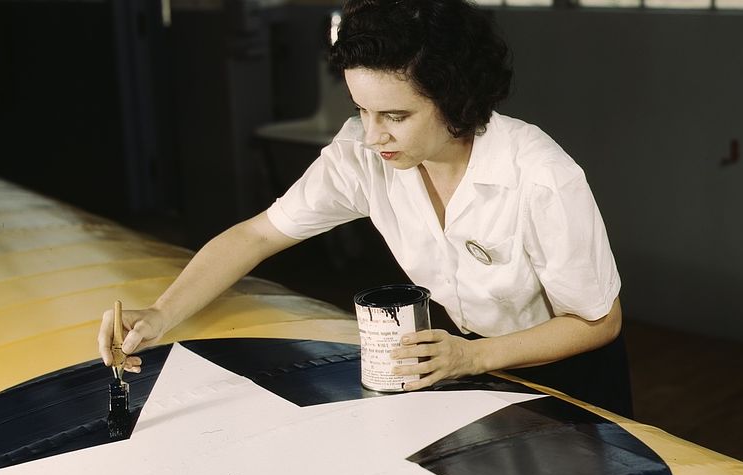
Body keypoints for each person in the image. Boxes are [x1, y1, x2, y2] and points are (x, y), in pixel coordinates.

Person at [98, 0, 633, 417]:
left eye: (395, 115)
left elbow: (598, 322)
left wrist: (473, 357)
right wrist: (160, 313)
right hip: (468, 362)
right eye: (361, 109)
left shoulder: (541, 177)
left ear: (456, 99)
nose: (372, 135)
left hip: (571, 374)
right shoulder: (362, 155)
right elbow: (258, 235)